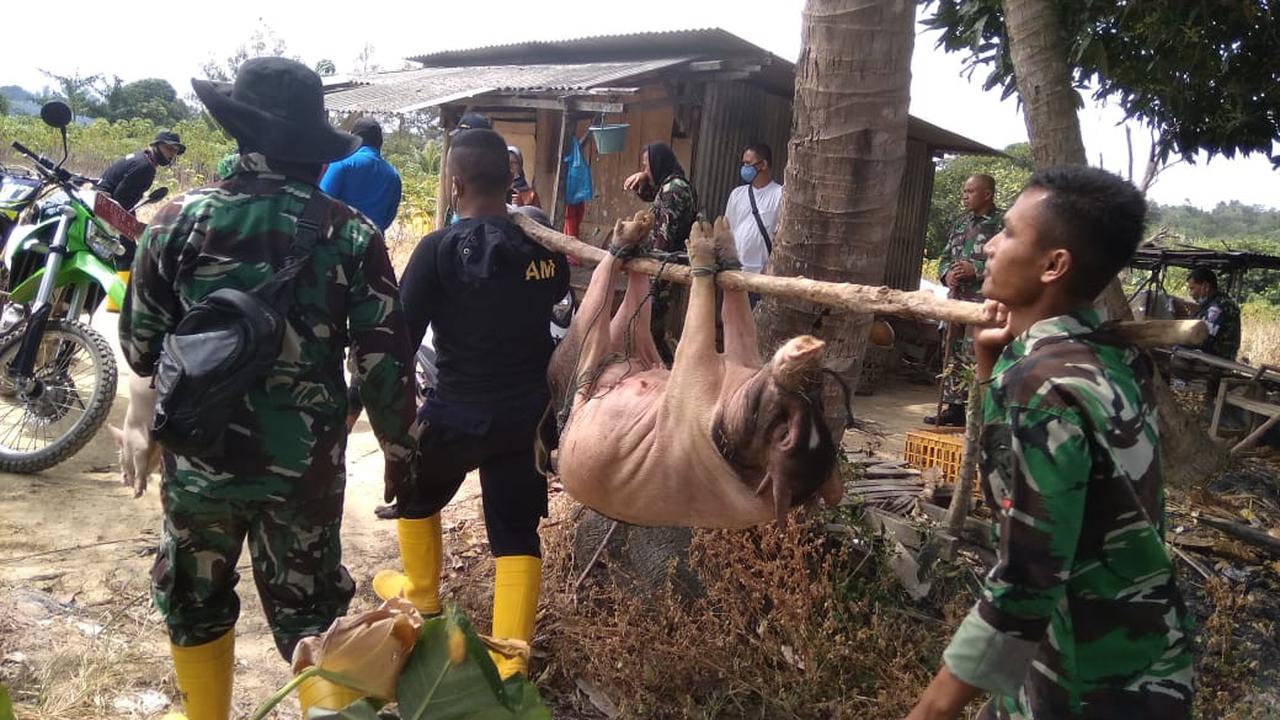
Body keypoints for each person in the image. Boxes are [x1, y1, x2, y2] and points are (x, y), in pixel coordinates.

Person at [118, 57, 418, 720]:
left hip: (201, 461)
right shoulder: (350, 233)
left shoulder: (174, 222)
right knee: (313, 615)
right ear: (311, 149)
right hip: (304, 469)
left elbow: (140, 348)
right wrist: (401, 451)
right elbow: (384, 367)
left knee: (195, 604)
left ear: (240, 135)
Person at [906, 166, 1194, 720]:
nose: (990, 244)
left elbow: (1027, 577)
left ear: (1053, 265)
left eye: (1009, 233)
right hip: (1130, 658)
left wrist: (931, 711)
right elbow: (1020, 486)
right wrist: (989, 363)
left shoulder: (1043, 385)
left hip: (1086, 682)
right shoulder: (1115, 359)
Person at [373, 128, 569, 680]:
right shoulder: (543, 244)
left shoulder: (437, 251)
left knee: (415, 496)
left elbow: (401, 338)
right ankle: (511, 669)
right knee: (515, 532)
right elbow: (555, 296)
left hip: (455, 412)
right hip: (525, 419)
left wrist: (387, 422)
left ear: (454, 184)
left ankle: (425, 602)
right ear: (511, 180)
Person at [927, 173, 1003, 426]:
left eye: (970, 192)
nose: (964, 196)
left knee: (975, 354)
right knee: (951, 352)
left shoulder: (1002, 224)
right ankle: (954, 407)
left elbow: (1007, 263)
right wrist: (947, 274)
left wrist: (977, 270)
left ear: (987, 194)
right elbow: (945, 257)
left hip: (983, 303)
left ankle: (978, 410)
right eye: (964, 192)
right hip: (956, 300)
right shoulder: (960, 224)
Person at [622, 141, 699, 362]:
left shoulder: (673, 189)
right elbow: (655, 198)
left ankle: (665, 368)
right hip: (668, 266)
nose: (645, 170)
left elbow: (664, 237)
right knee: (653, 328)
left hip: (664, 268)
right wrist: (643, 178)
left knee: (648, 326)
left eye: (647, 165)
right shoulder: (676, 184)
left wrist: (649, 267)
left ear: (658, 163)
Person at [319, 117, 402, 232]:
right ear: (380, 142)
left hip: (338, 243)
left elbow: (321, 203)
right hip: (375, 245)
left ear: (354, 139)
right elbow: (388, 217)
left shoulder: (342, 163)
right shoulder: (394, 176)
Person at [724, 141, 781, 305]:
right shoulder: (737, 194)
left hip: (759, 277)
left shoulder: (780, 195)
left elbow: (781, 238)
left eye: (748, 163)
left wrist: (769, 268)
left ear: (763, 164)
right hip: (735, 275)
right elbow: (727, 230)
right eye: (743, 163)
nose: (744, 168)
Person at [98, 130, 185, 213]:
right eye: (169, 148)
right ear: (156, 145)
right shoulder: (145, 167)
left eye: (176, 151)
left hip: (99, 195)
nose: (172, 154)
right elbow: (121, 201)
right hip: (102, 202)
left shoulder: (141, 157)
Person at [1186, 267, 1241, 361]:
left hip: (1216, 360)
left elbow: (1203, 337)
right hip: (1208, 356)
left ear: (1205, 287)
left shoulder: (1220, 306)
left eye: (1192, 288)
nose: (1191, 293)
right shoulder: (1208, 305)